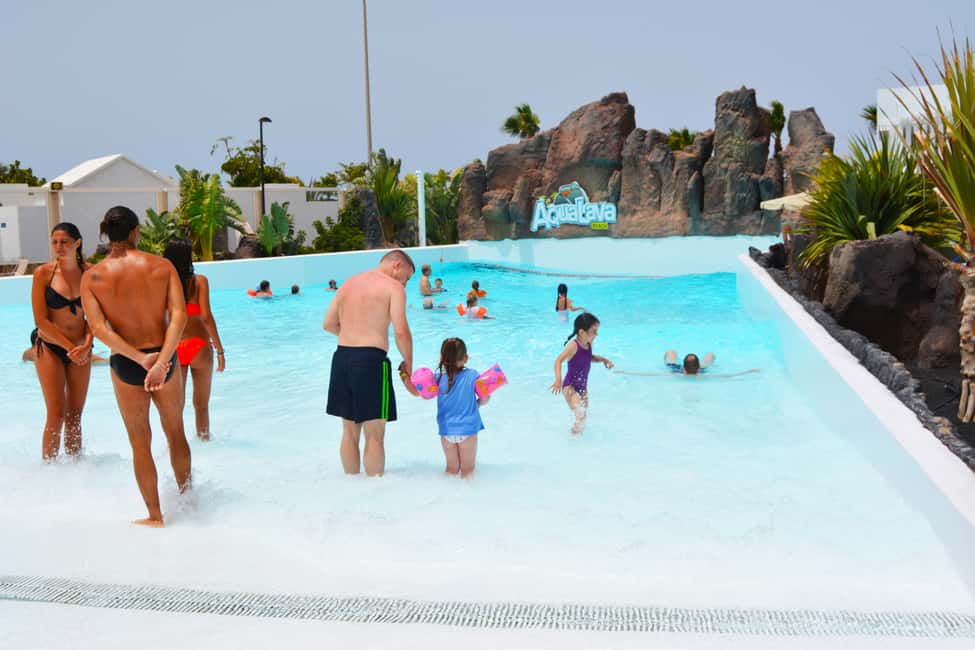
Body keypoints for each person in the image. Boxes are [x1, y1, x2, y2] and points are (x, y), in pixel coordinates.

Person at [80, 206, 191, 527]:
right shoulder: (162, 266)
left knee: (139, 442)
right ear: (135, 232)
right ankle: (189, 501)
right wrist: (162, 360)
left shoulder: (93, 276)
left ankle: (155, 516)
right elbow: (179, 316)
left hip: (127, 364)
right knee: (176, 432)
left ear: (107, 234)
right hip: (164, 359)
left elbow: (99, 330)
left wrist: (140, 359)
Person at [323, 249, 416, 477]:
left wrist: (354, 335)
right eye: (407, 277)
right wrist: (408, 363)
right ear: (397, 265)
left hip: (342, 358)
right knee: (374, 435)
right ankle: (376, 492)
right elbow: (401, 331)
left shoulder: (348, 283)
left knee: (349, 433)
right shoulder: (393, 287)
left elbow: (328, 324)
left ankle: (352, 486)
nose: (405, 284)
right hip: (370, 362)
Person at [29, 222, 94, 461]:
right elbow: (41, 321)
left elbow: (96, 317)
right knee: (56, 413)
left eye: (64, 242)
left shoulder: (90, 273)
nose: (59, 247)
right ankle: (49, 469)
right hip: (50, 347)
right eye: (55, 242)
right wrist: (71, 348)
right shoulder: (43, 274)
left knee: (75, 416)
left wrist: (87, 344)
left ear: (77, 243)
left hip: (82, 347)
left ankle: (75, 469)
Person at [163, 238, 226, 442]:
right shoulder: (200, 282)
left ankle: (176, 447)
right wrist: (220, 349)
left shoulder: (163, 284)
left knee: (176, 407)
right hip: (199, 346)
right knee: (201, 405)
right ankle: (205, 442)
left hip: (175, 347)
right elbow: (206, 316)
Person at [402, 337, 488, 479]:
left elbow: (418, 393)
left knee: (451, 469)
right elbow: (485, 398)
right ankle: (468, 493)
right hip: (467, 430)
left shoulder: (436, 378)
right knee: (468, 471)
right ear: (465, 358)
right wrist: (477, 404)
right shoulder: (473, 375)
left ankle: (445, 492)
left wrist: (404, 376)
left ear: (441, 358)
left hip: (446, 432)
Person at [550, 313, 613, 435]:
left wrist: (603, 360)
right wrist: (558, 380)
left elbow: (588, 357)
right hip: (570, 386)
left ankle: (576, 439)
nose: (596, 334)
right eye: (594, 331)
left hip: (583, 388)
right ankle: (572, 439)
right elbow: (558, 360)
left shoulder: (588, 344)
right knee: (580, 414)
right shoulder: (573, 346)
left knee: (582, 419)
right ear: (582, 332)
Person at [615, 350, 759, 378]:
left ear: (683, 367)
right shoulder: (702, 375)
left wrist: (624, 372)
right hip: (697, 369)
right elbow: (729, 376)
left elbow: (647, 374)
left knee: (670, 352)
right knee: (710, 355)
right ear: (698, 367)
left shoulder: (677, 374)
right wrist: (749, 371)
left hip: (678, 369)